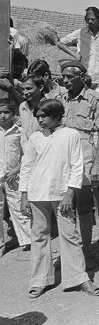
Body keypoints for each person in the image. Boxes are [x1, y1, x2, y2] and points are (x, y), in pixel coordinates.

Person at [19, 99, 99, 298]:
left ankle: (79, 278)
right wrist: (24, 195)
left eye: (44, 116)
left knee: (69, 234)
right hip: (37, 192)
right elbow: (27, 167)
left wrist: (70, 192)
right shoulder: (35, 138)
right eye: (38, 116)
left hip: (61, 192)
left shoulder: (70, 135)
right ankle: (40, 279)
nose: (40, 120)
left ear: (57, 116)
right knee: (39, 235)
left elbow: (77, 164)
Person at [57, 59, 99, 269]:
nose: (65, 80)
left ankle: (86, 252)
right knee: (64, 206)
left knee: (84, 206)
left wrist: (97, 163)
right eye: (64, 77)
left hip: (84, 154)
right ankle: (71, 253)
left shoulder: (95, 99)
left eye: (70, 77)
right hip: (62, 155)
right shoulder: (60, 97)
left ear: (81, 77)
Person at [56, 7, 99, 98]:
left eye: (93, 19)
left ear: (98, 19)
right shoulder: (79, 33)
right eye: (87, 19)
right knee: (83, 102)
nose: (90, 21)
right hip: (84, 77)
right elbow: (61, 43)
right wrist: (75, 55)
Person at [0, 99, 31, 255]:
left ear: (13, 114)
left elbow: (26, 155)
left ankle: (28, 240)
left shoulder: (19, 131)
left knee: (18, 207)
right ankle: (1, 244)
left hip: (13, 177)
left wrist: (16, 170)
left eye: (6, 112)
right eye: (0, 112)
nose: (3, 116)